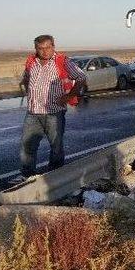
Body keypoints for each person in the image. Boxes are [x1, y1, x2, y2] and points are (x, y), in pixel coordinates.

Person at [14, 35, 86, 182]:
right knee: (27, 145)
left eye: (47, 47)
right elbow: (26, 79)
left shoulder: (62, 61)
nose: (44, 51)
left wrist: (69, 95)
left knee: (56, 146)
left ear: (53, 46)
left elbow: (81, 77)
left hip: (54, 112)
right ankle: (27, 175)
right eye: (40, 48)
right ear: (36, 49)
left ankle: (55, 175)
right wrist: (30, 93)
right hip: (33, 112)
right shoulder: (31, 62)